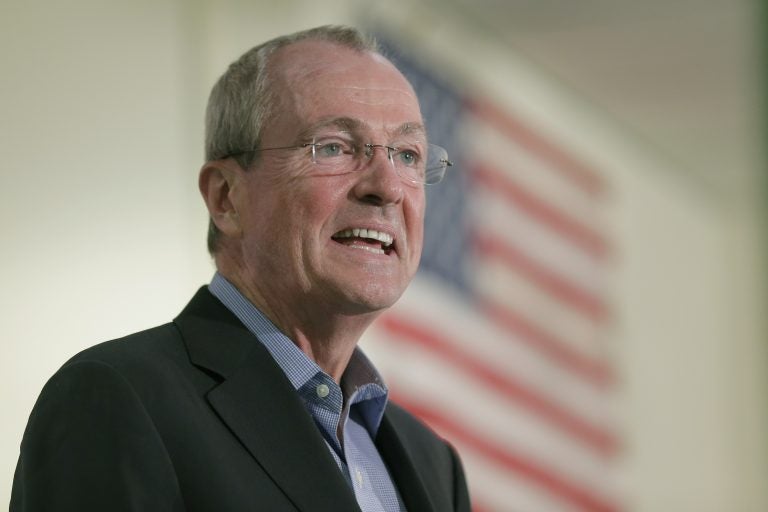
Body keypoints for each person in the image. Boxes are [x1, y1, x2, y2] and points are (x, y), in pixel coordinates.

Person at [11, 25, 470, 512]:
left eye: (407, 155)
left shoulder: (432, 463)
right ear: (226, 197)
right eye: (334, 146)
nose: (388, 187)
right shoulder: (118, 399)